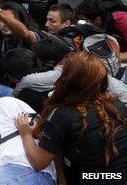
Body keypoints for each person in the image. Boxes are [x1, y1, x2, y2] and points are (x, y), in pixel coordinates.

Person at [15, 52, 127, 184]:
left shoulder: (64, 114)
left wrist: (26, 133)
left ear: (67, 80)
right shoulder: (116, 104)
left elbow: (38, 162)